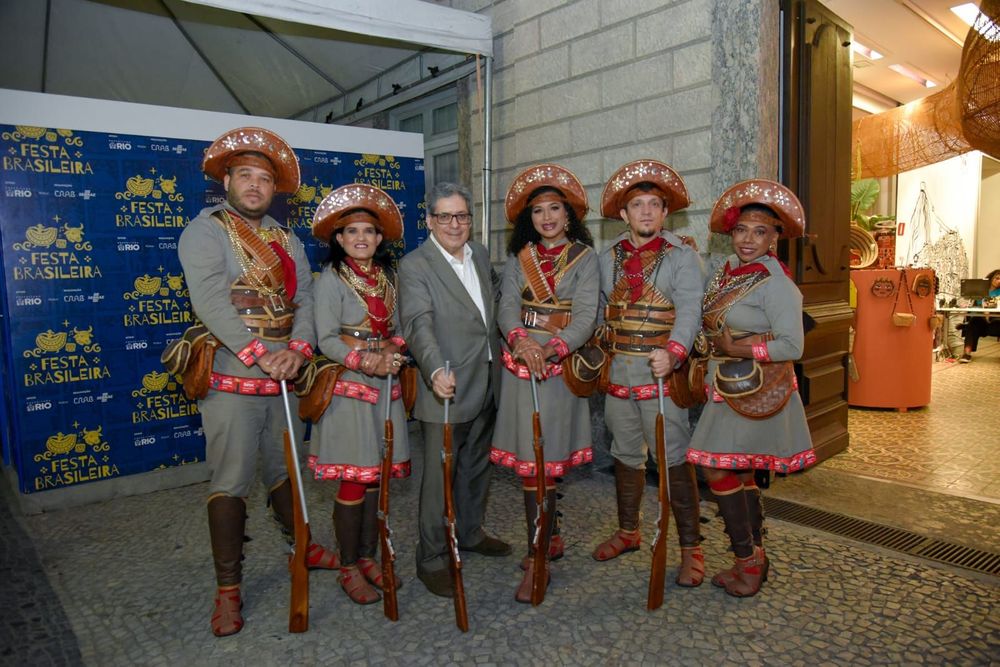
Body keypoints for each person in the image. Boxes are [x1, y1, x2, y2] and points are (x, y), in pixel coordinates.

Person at [178, 127, 337, 637]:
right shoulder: (205, 232)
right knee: (231, 481)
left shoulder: (287, 239)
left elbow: (305, 300)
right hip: (233, 374)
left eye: (264, 179)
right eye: (244, 175)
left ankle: (301, 546)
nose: (254, 185)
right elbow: (210, 302)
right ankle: (228, 589)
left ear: (275, 188)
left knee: (286, 469)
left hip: (285, 374)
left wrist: (299, 349)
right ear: (226, 181)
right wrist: (260, 355)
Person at [686, 179, 818, 597]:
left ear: (774, 237)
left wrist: (740, 347)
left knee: (716, 467)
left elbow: (793, 345)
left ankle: (748, 561)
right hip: (726, 384)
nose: (748, 239)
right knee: (739, 468)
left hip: (754, 387)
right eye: (741, 230)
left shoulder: (776, 284)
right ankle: (754, 558)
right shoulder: (728, 271)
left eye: (759, 232)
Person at [593, 160, 706, 587]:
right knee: (624, 453)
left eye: (654, 205)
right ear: (623, 214)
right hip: (619, 372)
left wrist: (674, 352)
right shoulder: (607, 259)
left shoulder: (682, 257)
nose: (645, 212)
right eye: (637, 205)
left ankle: (691, 548)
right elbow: (599, 308)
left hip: (662, 374)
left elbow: (690, 309)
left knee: (673, 458)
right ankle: (629, 531)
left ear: (665, 212)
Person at [491, 164, 599, 602]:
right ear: (528, 219)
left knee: (546, 460)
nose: (547, 217)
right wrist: (520, 341)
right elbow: (506, 308)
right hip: (520, 364)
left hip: (559, 366)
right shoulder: (519, 258)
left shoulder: (586, 259)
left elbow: (587, 316)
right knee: (529, 462)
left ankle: (539, 556)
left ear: (569, 215)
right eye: (538, 211)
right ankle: (544, 542)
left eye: (555, 209)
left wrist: (552, 348)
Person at [398, 182, 511, 598]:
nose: (454, 224)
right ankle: (431, 557)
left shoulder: (479, 254)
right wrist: (433, 370)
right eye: (444, 216)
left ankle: (469, 532)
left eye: (461, 215)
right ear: (429, 220)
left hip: (488, 379)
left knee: (477, 465)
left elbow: (490, 311)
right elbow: (418, 324)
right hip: (445, 384)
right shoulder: (415, 265)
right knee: (439, 478)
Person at [307, 184, 411, 605]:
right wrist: (366, 361)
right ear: (339, 238)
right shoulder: (330, 280)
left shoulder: (389, 278)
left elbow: (400, 328)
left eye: (369, 230)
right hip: (350, 386)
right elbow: (327, 339)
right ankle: (348, 567)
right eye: (351, 231)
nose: (361, 238)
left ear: (380, 237)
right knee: (353, 478)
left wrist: (393, 349)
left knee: (375, 477)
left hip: (386, 383)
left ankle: (368, 558)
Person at [959, 268, 1000, 362]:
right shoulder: (979, 290)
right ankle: (966, 354)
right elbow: (976, 304)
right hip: (981, 320)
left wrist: (989, 304)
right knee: (973, 323)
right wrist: (966, 304)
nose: (999, 281)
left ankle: (964, 326)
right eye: (997, 278)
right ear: (991, 278)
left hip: (995, 320)